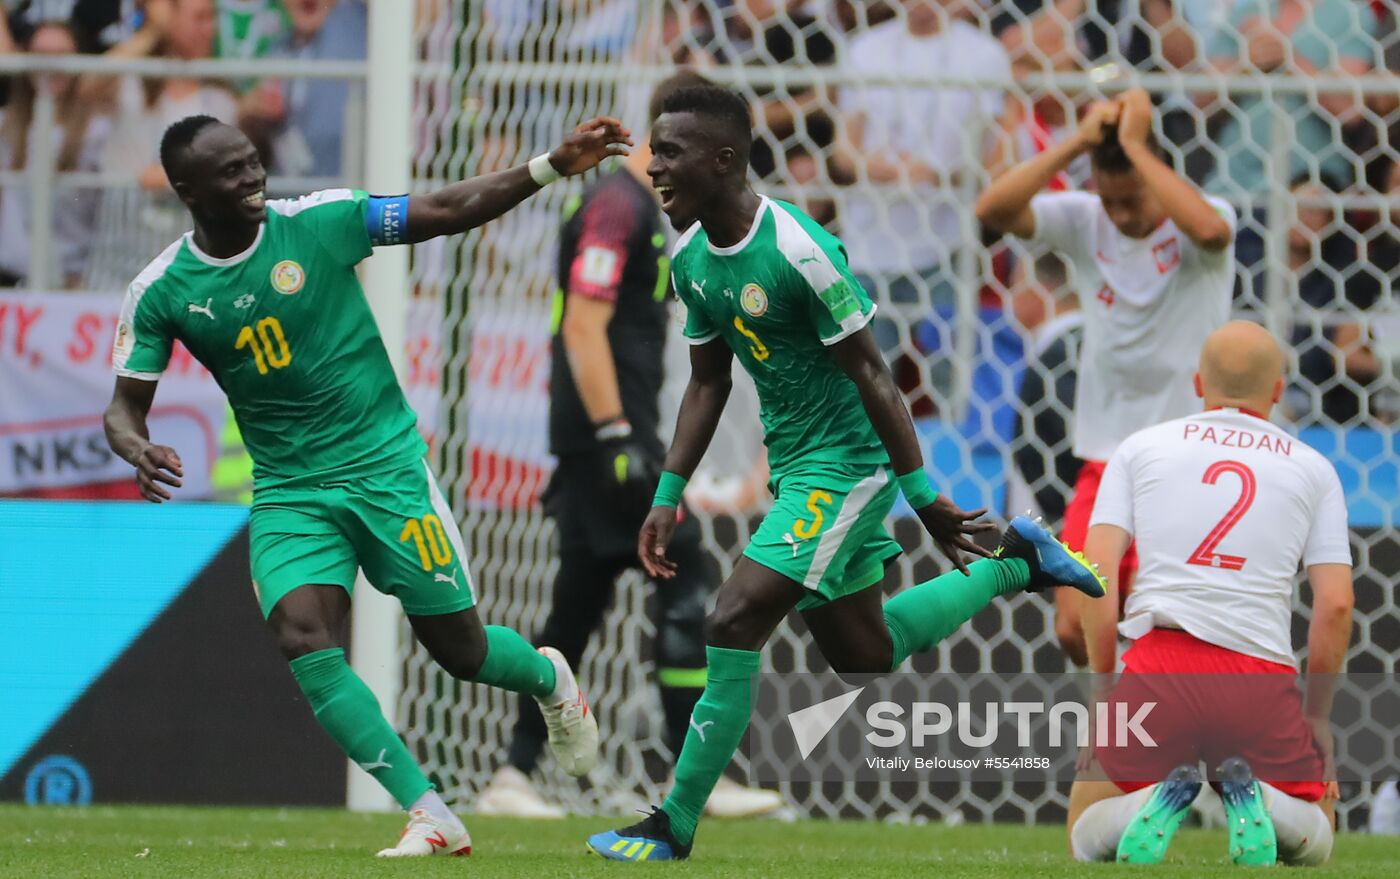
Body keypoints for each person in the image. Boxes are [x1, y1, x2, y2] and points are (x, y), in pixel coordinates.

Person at [584, 83, 1105, 862]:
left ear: (725, 160)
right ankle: (1018, 561)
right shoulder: (692, 258)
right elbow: (707, 382)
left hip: (852, 462)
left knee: (730, 617)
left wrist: (922, 495)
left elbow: (875, 373)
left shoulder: (798, 249)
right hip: (797, 466)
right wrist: (668, 493)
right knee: (865, 650)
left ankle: (673, 823)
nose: (651, 166)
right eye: (654, 150)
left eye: (669, 153)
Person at [102, 113, 632, 857]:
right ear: (188, 189)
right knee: (300, 632)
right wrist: (136, 445)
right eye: (231, 172)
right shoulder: (161, 289)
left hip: (386, 469)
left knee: (462, 652)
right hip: (290, 488)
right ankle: (429, 811)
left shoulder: (320, 221)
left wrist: (549, 165)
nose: (253, 177)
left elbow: (444, 211)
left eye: (253, 163)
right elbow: (124, 408)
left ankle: (548, 675)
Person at [477, 69, 783, 821]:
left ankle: (513, 772)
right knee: (687, 585)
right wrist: (618, 434)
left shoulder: (644, 214)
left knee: (576, 611)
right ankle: (693, 773)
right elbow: (583, 324)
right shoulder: (616, 207)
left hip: (598, 440)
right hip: (605, 440)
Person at [1068, 321, 1353, 866]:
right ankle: (1262, 800)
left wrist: (1105, 692)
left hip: (1159, 665)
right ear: (1277, 390)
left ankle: (1149, 802)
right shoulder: (1314, 469)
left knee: (1085, 828)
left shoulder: (1141, 448)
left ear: (1198, 383)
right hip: (1258, 677)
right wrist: (1317, 717)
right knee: (1318, 839)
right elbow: (1336, 603)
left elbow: (1096, 572)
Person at [975, 87, 1235, 664]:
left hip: (1188, 460)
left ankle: (1160, 739)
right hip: (1106, 459)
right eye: (1108, 199)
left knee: (1164, 623)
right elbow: (991, 210)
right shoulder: (1085, 220)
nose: (1118, 215)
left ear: (1156, 171)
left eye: (1130, 199)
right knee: (1074, 626)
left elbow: (1213, 233)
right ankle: (1129, 727)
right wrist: (1077, 141)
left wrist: (1138, 148)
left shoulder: (1204, 220)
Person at [0, 20, 109, 288]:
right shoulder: (5, 125)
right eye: (41, 56)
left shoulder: (99, 130)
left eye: (62, 56)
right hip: (9, 278)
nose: (51, 67)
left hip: (73, 280)